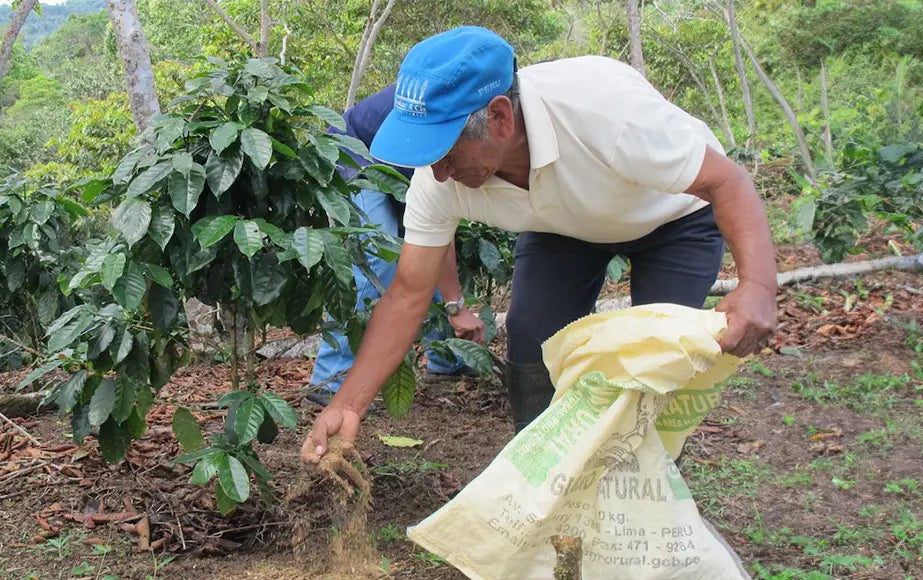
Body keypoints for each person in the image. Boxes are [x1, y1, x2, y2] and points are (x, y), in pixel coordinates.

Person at [301, 26, 778, 462]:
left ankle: (641, 485)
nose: (438, 172)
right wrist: (348, 404)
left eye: (446, 151)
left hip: (674, 218)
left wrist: (758, 284)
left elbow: (728, 182)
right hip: (564, 225)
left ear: (501, 118)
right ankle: (544, 473)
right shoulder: (438, 179)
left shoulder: (602, 112)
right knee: (532, 338)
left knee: (653, 356)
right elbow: (407, 293)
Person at [306, 84, 486, 407]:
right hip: (354, 150)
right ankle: (328, 378)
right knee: (380, 257)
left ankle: (446, 358)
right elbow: (441, 236)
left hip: (395, 167)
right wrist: (457, 307)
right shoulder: (441, 121)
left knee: (422, 257)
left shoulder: (471, 118)